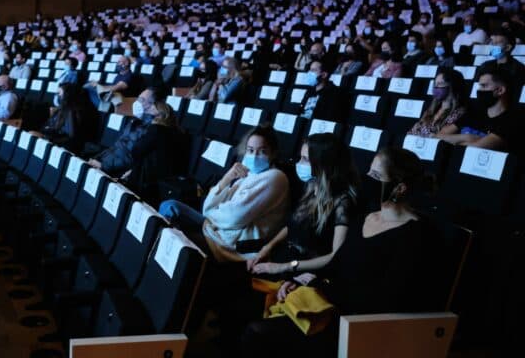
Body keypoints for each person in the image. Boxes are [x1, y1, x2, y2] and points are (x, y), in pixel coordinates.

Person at [241, 148, 438, 357]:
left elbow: (387, 298)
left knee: (257, 333)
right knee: (247, 309)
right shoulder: (367, 217)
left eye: (376, 176)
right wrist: (299, 281)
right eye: (369, 172)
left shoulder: (415, 235)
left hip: (356, 323)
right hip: (330, 303)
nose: (367, 179)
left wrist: (322, 289)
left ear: (400, 188)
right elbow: (337, 263)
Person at [159, 125, 289, 262]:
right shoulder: (249, 173)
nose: (254, 156)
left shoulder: (275, 177)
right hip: (215, 229)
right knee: (169, 206)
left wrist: (211, 215)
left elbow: (234, 217)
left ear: (273, 153)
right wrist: (227, 178)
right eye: (250, 150)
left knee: (169, 235)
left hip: (228, 244)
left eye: (262, 151)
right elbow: (207, 207)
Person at [246, 134, 358, 276]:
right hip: (286, 256)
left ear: (322, 164)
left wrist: (284, 267)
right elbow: (292, 225)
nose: (299, 163)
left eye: (305, 159)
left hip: (305, 270)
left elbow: (335, 256)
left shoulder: (343, 202)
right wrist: (267, 248)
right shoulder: (310, 186)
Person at [438, 67, 520, 151]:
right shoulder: (473, 112)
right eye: (479, 86)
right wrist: (467, 137)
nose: (479, 90)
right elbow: (438, 136)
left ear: (500, 90)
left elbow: (473, 149)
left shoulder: (512, 121)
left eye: (484, 86)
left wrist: (451, 142)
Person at [88, 88, 162, 176]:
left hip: (113, 171)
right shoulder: (135, 121)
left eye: (142, 100)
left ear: (153, 105)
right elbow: (117, 146)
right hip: (106, 161)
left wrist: (103, 166)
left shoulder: (151, 130)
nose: (137, 102)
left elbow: (129, 158)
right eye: (138, 98)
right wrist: (97, 158)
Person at [124, 101, 186, 205]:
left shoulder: (156, 129)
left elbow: (136, 151)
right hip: (167, 181)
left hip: (149, 181)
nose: (147, 113)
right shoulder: (179, 132)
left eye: (151, 111)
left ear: (159, 116)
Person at [408, 68, 467, 137]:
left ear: (452, 86)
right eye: (435, 84)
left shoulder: (458, 112)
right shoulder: (432, 108)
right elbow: (414, 130)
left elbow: (439, 137)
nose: (435, 87)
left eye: (440, 84)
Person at [38, 83, 90, 154]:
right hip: (55, 139)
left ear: (67, 94)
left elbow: (70, 136)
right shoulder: (62, 108)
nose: (58, 96)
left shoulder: (71, 111)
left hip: (64, 146)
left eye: (59, 93)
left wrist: (47, 137)